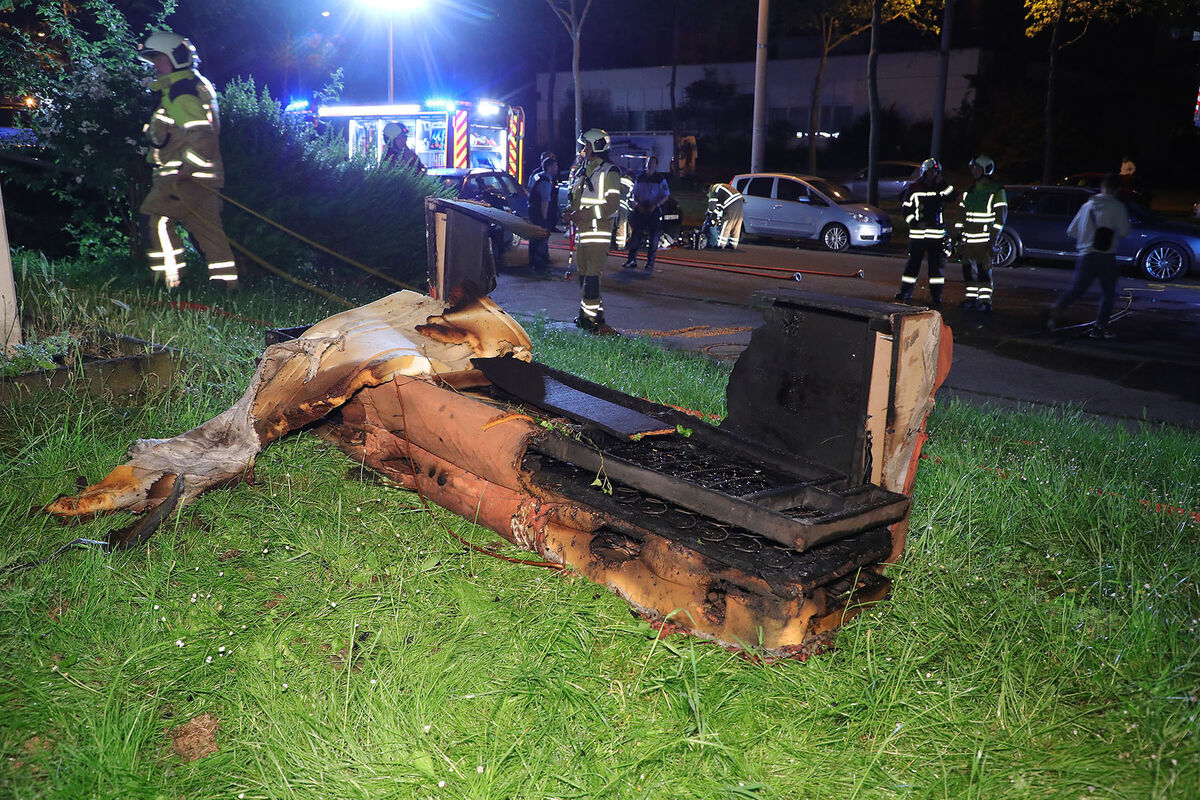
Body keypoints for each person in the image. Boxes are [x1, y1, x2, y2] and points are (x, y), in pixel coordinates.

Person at [136, 31, 237, 289]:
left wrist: (186, 168)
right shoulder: (191, 86)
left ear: (176, 58)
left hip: (182, 178)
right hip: (203, 178)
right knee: (208, 231)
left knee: (156, 220)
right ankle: (225, 284)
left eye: (159, 59)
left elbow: (202, 136)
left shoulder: (180, 93)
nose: (155, 65)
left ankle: (168, 282)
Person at [1047, 173, 1131, 339]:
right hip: (1106, 256)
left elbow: (1071, 231)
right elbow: (1124, 231)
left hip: (1086, 255)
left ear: (1102, 186)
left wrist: (1087, 237)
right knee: (1109, 293)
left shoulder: (1087, 206)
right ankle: (1100, 328)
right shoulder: (1117, 207)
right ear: (1116, 189)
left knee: (1077, 290)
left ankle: (1054, 311)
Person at [564, 128, 622, 333]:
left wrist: (584, 215)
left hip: (598, 231)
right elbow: (577, 199)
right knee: (584, 276)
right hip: (583, 231)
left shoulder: (610, 171)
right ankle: (596, 315)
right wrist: (569, 212)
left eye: (586, 145)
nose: (583, 149)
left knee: (591, 276)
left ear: (597, 146)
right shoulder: (584, 170)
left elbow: (612, 204)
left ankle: (588, 320)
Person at [895, 157, 954, 308]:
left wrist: (942, 182)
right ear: (924, 172)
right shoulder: (914, 188)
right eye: (931, 171)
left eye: (936, 172)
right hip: (918, 236)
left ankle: (936, 295)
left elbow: (953, 196)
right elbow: (906, 211)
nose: (934, 174)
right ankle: (905, 292)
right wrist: (915, 223)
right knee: (912, 266)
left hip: (936, 236)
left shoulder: (941, 188)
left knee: (936, 269)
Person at [956, 155, 1008, 312]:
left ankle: (985, 301)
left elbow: (1000, 218)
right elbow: (961, 214)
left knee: (983, 271)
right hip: (968, 239)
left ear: (986, 170)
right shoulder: (970, 190)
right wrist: (957, 235)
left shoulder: (996, 190)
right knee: (967, 270)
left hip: (984, 239)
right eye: (973, 168)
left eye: (977, 168)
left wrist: (992, 241)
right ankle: (971, 298)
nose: (974, 171)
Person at [622, 156, 670, 273]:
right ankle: (631, 260)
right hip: (641, 209)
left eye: (653, 163)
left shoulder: (660, 179)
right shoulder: (640, 178)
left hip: (654, 210)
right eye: (649, 163)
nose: (650, 165)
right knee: (636, 236)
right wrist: (639, 205)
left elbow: (666, 195)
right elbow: (635, 194)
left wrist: (655, 205)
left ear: (656, 165)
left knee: (653, 238)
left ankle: (650, 263)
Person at [527, 156, 559, 276]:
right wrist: (544, 219)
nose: (557, 168)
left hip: (532, 211)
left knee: (534, 238)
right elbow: (544, 202)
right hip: (539, 214)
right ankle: (540, 266)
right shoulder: (545, 182)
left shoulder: (537, 176)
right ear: (549, 167)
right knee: (541, 238)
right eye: (555, 166)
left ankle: (534, 262)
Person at [706, 182, 744, 250]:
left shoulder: (713, 190)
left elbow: (712, 207)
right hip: (740, 200)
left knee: (726, 223)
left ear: (708, 190)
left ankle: (721, 245)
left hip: (731, 202)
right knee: (736, 223)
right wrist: (715, 214)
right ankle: (733, 244)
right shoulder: (720, 187)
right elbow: (719, 206)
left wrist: (709, 214)